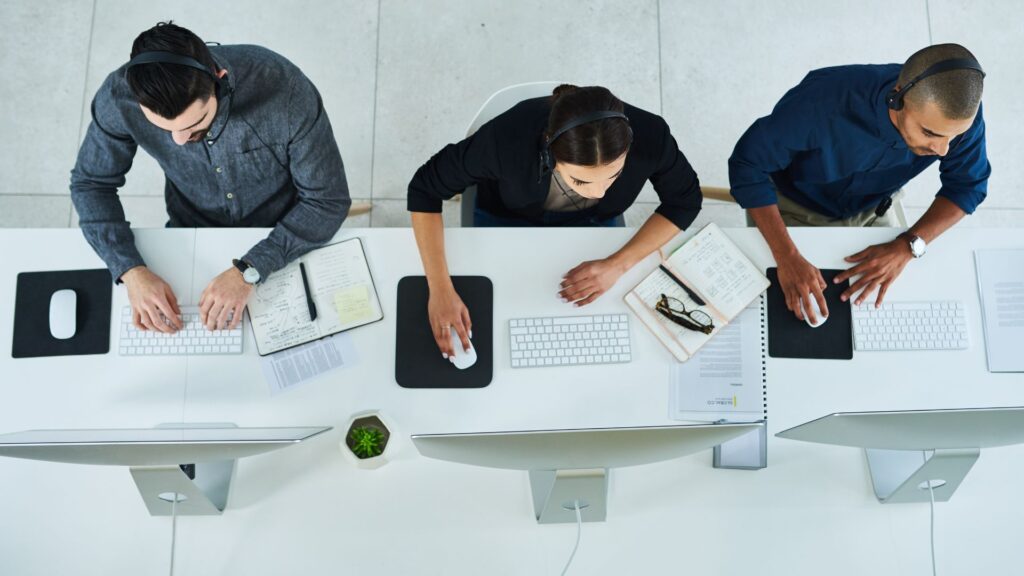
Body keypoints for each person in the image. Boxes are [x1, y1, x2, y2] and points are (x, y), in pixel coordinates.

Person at [70, 22, 350, 333]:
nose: (178, 140)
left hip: (284, 229)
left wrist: (249, 269)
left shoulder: (285, 90)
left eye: (196, 125)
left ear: (220, 81)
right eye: (165, 128)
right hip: (190, 225)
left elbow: (327, 201)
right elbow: (91, 184)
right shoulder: (117, 98)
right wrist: (130, 269)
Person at [407, 84, 703, 358]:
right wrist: (440, 289)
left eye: (614, 175)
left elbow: (685, 201)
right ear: (550, 151)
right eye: (580, 180)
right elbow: (424, 189)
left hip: (594, 222)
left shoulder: (652, 135)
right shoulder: (506, 137)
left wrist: (618, 264)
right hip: (507, 216)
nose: (600, 191)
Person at [728, 44, 989, 324]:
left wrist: (909, 245)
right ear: (897, 98)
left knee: (885, 313)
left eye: (954, 137)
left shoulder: (955, 120)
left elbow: (966, 186)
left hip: (872, 208)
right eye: (929, 133)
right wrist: (786, 256)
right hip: (791, 204)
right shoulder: (823, 101)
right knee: (784, 315)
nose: (943, 149)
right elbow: (748, 164)